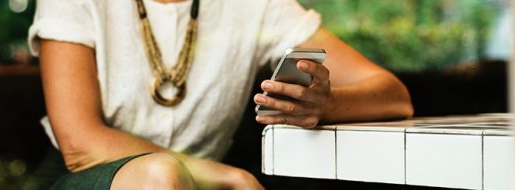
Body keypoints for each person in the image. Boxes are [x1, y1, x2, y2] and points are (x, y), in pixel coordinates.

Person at [28, 0, 413, 189]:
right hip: (81, 179)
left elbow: (394, 96)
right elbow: (80, 144)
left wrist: (327, 105)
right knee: (159, 178)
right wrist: (228, 177)